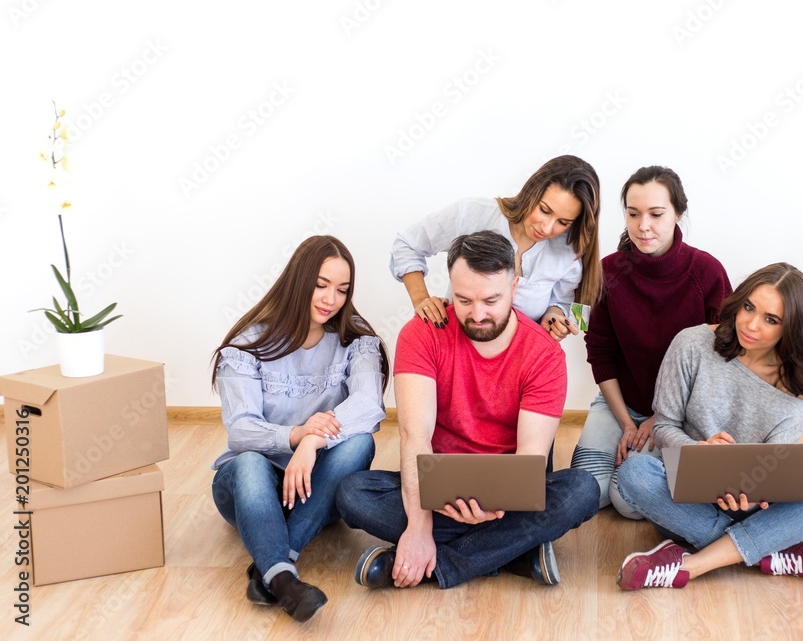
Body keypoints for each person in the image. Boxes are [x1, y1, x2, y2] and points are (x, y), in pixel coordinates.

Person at [337, 230, 599, 589]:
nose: (478, 314)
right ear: (451, 287)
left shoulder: (543, 353)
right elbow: (415, 435)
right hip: (436, 485)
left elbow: (531, 458)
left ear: (514, 287)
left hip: (507, 496)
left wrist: (493, 506)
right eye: (464, 300)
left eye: (491, 300)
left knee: (582, 491)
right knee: (352, 493)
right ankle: (513, 550)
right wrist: (419, 524)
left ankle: (436, 563)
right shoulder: (422, 334)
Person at [613, 263, 803, 590]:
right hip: (688, 500)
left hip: (749, 507)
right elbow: (664, 426)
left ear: (791, 328)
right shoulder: (691, 343)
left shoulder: (795, 389)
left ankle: (691, 565)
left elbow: (773, 467)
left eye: (771, 320)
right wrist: (698, 451)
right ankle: (767, 549)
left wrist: (753, 496)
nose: (750, 325)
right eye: (749, 307)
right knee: (633, 473)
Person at [210, 235, 390, 621]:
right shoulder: (250, 343)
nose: (331, 299)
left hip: (316, 491)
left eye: (342, 289)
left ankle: (274, 570)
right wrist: (295, 435)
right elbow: (241, 431)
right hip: (250, 493)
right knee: (249, 462)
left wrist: (312, 441)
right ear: (298, 280)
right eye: (321, 285)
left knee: (360, 443)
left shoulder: (356, 339)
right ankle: (282, 573)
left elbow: (367, 407)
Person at [570, 165, 731, 514]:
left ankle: (645, 470)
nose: (643, 226)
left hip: (680, 413)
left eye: (656, 214)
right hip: (621, 403)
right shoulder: (607, 272)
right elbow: (600, 353)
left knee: (626, 502)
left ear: (678, 214)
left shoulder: (708, 273)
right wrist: (627, 424)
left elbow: (720, 364)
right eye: (633, 214)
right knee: (582, 494)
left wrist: (661, 419)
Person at [389, 155, 602, 342]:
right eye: (544, 210)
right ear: (531, 192)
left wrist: (555, 318)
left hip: (520, 360)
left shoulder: (570, 249)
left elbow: (571, 306)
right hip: (455, 348)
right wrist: (421, 300)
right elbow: (406, 244)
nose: (546, 228)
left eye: (563, 222)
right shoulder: (472, 213)